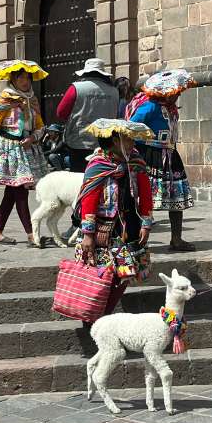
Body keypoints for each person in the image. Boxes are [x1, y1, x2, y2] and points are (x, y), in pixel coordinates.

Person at [73, 118, 154, 331]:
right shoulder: (98, 164)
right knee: (101, 274)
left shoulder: (136, 162)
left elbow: (146, 194)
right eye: (126, 138)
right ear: (114, 140)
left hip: (129, 226)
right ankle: (92, 319)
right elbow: (89, 199)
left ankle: (103, 318)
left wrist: (146, 222)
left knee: (124, 274)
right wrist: (88, 233)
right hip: (103, 228)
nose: (131, 143)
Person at [128, 69, 196, 252]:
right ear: (165, 91)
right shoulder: (150, 107)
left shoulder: (171, 108)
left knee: (176, 198)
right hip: (149, 156)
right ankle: (138, 238)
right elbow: (131, 126)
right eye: (175, 91)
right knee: (141, 197)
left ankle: (176, 239)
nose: (178, 94)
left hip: (170, 156)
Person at [0, 60, 49, 246]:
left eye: (27, 78)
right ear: (13, 79)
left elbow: (40, 126)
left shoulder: (32, 99)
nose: (25, 81)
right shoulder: (4, 99)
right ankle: (31, 234)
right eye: (21, 77)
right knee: (20, 191)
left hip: (27, 149)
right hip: (8, 149)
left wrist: (33, 138)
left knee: (12, 192)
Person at [57, 58, 119, 173]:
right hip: (106, 142)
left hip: (80, 142)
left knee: (79, 177)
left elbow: (61, 113)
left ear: (85, 72)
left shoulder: (76, 88)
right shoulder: (114, 91)